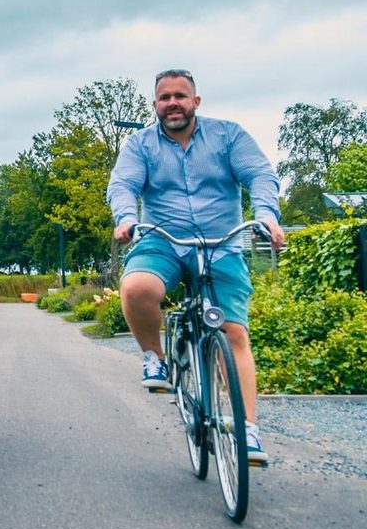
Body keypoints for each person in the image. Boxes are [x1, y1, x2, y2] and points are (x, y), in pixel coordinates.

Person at [107, 69, 285, 464]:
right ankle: (155, 356)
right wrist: (125, 217)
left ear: (195, 102)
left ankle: (247, 431)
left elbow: (259, 174)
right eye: (165, 97)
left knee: (234, 332)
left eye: (180, 96)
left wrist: (268, 216)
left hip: (221, 242)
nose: (173, 103)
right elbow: (123, 185)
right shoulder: (140, 145)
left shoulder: (228, 136)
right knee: (137, 288)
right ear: (155, 105)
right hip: (163, 240)